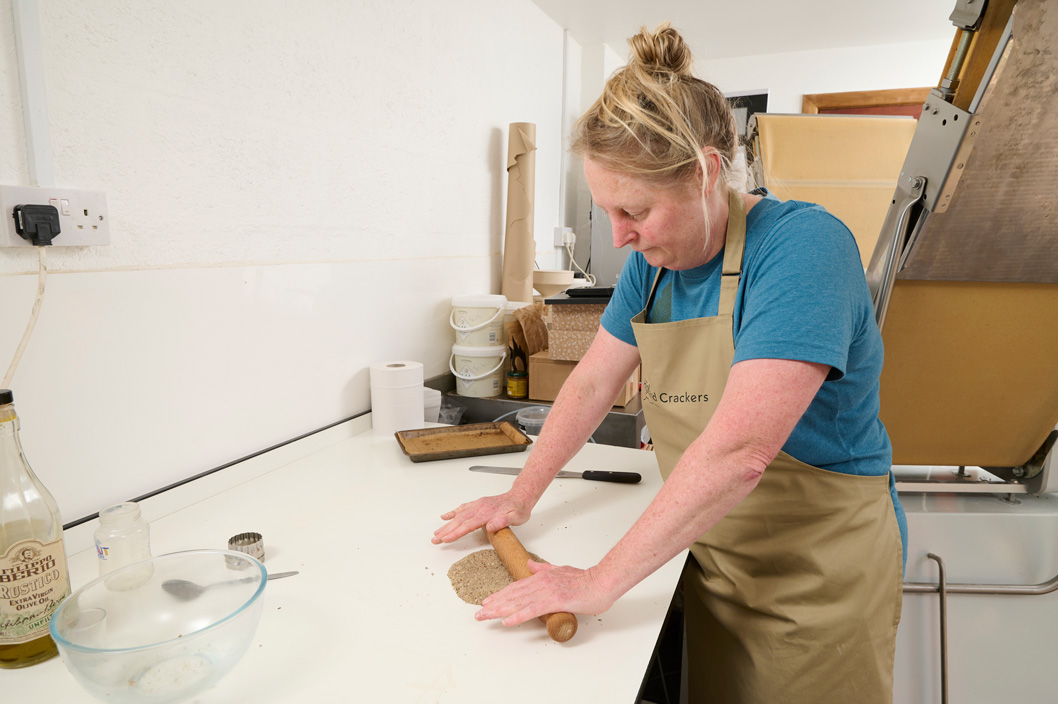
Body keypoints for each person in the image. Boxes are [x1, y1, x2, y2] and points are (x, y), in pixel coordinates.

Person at [433, 22, 906, 703]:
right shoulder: (651, 267)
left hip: (812, 575)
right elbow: (595, 379)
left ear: (707, 172)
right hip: (707, 552)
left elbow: (742, 451)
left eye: (636, 210)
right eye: (608, 210)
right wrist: (521, 492)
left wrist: (596, 581)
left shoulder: (804, 250)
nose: (620, 235)